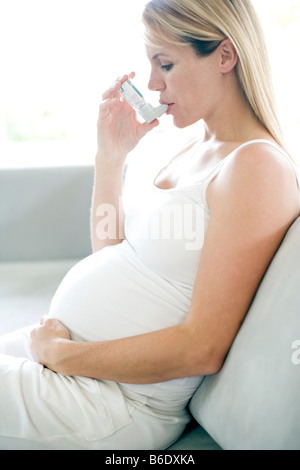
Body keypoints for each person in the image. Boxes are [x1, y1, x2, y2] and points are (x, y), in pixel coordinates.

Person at [0, 0, 299, 450]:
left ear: (224, 56)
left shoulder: (256, 167)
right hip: (75, 368)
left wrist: (63, 355)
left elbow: (203, 346)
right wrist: (111, 157)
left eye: (165, 64)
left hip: (111, 401)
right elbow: (113, 258)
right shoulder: (193, 148)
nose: (154, 86)